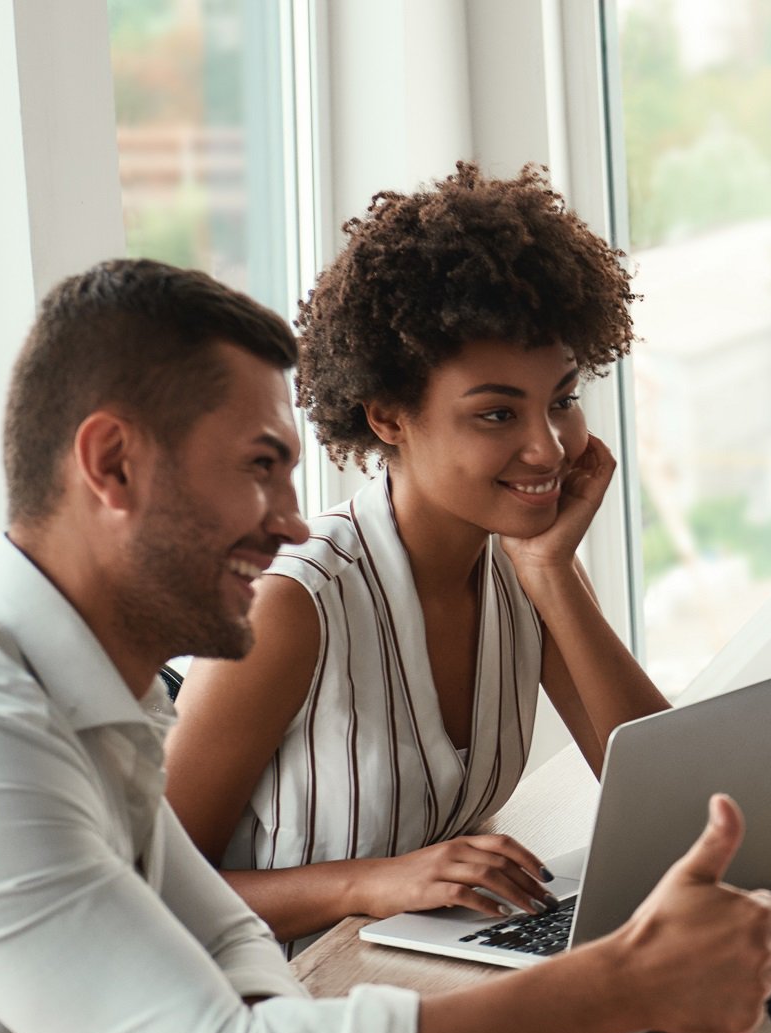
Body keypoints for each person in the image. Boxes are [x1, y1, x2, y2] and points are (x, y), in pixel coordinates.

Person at [0, 259, 771, 1033]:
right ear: (112, 465)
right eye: (257, 466)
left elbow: (220, 940)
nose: (289, 517)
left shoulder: (78, 698)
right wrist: (621, 982)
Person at [163, 164, 668, 943]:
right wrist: (371, 883)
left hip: (422, 979)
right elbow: (155, 894)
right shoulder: (293, 606)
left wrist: (551, 574)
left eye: (562, 400)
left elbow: (683, 811)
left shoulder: (530, 568)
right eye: (498, 413)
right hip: (281, 1009)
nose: (547, 448)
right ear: (390, 417)